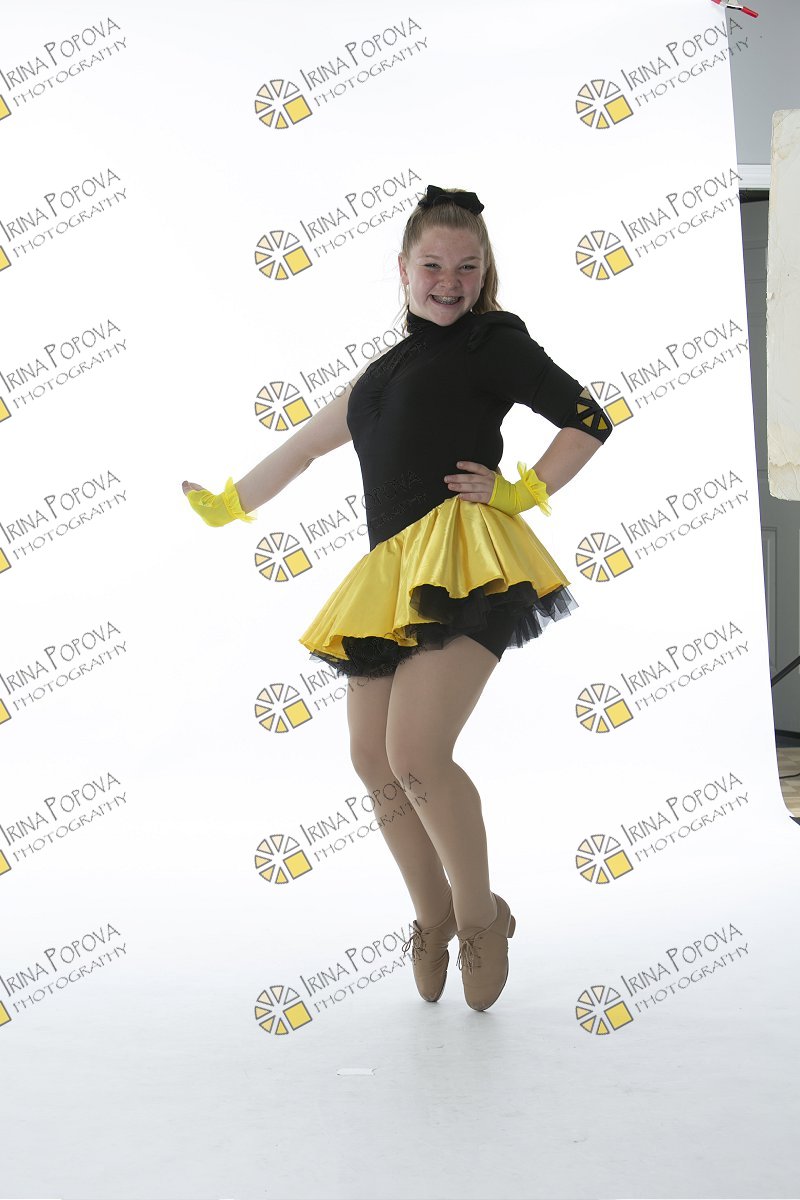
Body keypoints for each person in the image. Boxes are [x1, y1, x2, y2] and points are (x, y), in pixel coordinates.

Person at [182, 184, 613, 1013]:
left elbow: (588, 418)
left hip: (465, 559)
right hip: (390, 575)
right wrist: (230, 504)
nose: (450, 281)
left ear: (485, 272)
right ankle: (434, 914)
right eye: (433, 265)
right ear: (405, 270)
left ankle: (483, 918)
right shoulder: (381, 373)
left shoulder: (494, 341)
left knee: (417, 753)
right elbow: (304, 447)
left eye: (467, 266)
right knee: (372, 759)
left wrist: (521, 492)